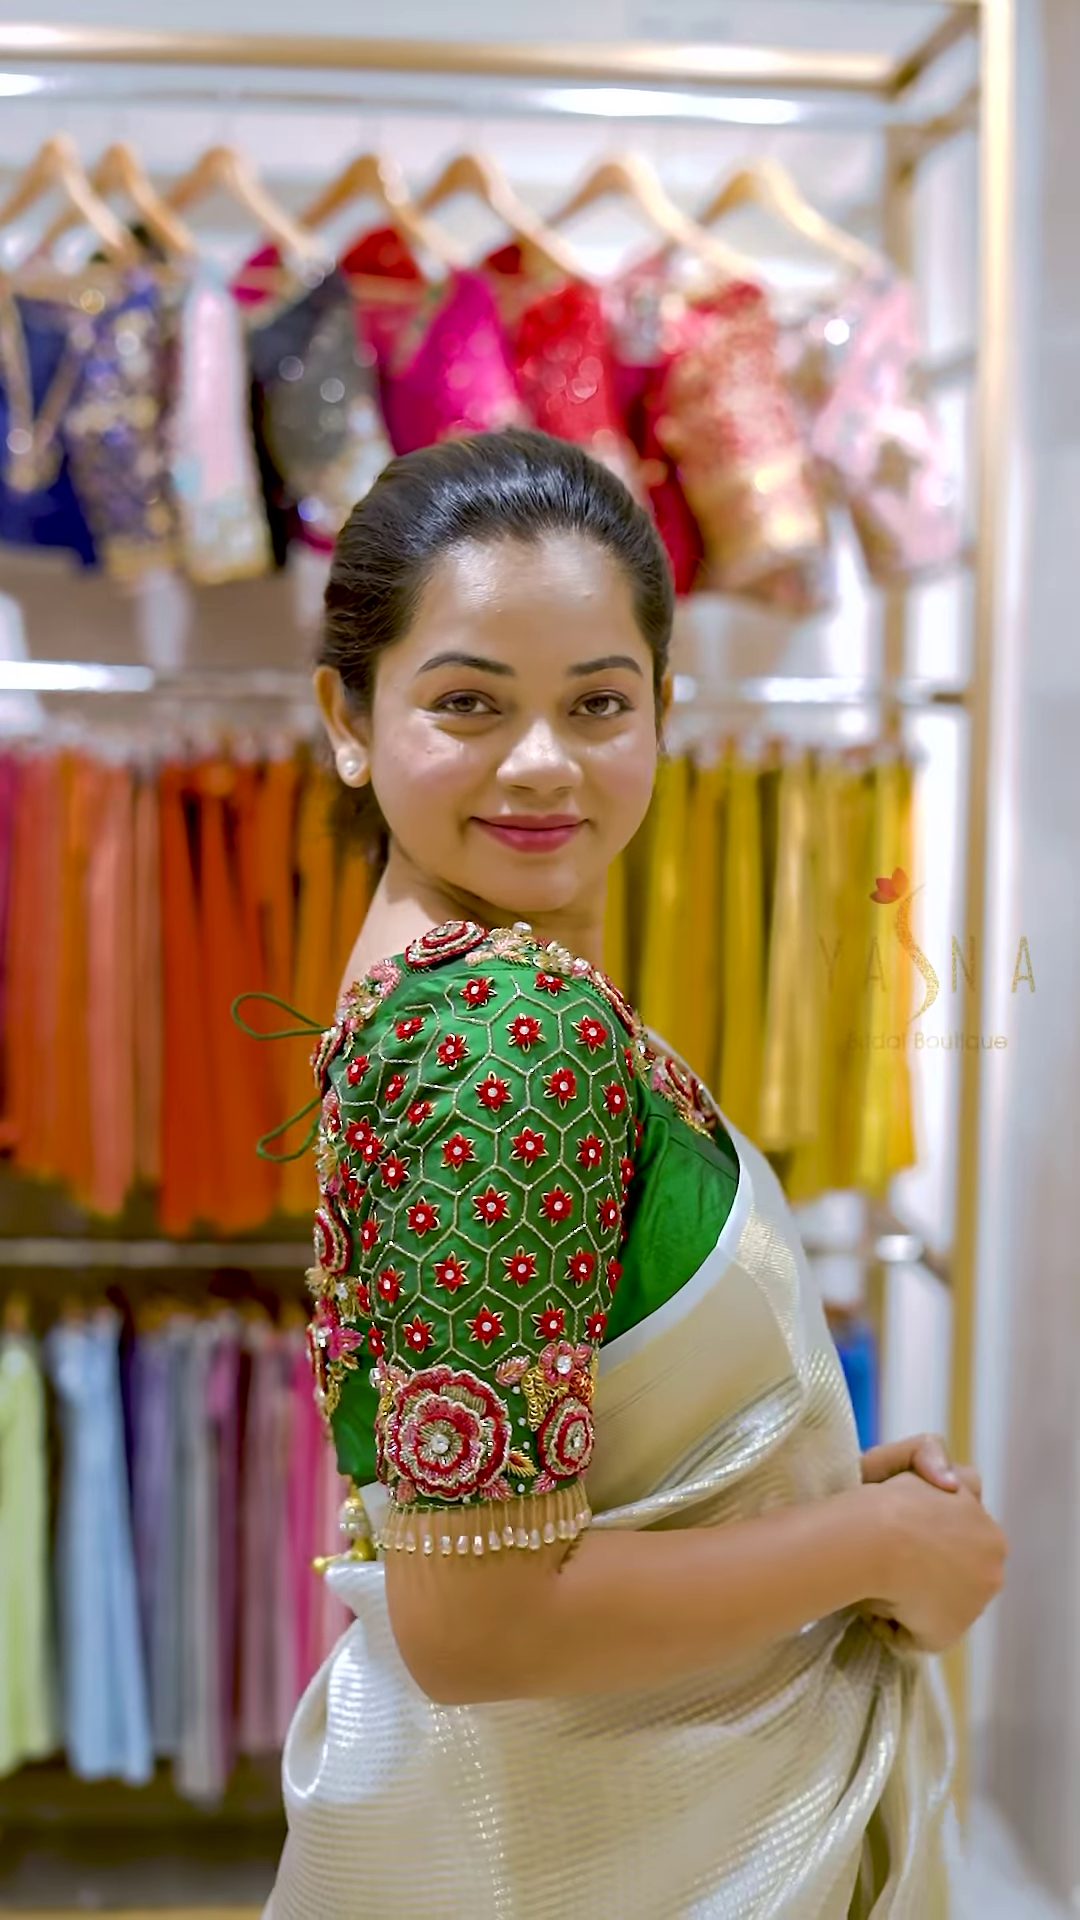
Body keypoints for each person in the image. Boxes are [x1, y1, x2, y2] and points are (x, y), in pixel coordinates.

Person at [261, 428, 1005, 1918]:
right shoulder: (499, 1029)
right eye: (468, 702)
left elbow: (563, 1473)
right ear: (350, 716)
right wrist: (870, 1542)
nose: (541, 763)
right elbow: (479, 1627)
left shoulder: (452, 975)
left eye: (597, 702)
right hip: (589, 1844)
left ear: (665, 707)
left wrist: (794, 1492)